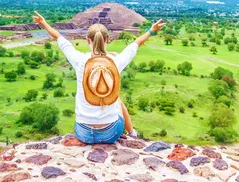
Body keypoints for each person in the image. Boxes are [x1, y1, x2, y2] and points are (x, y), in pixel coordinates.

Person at [32, 11, 165, 144]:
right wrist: (151, 30)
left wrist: (43, 23)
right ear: (108, 39)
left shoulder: (79, 60)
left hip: (83, 133)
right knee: (117, 99)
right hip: (111, 134)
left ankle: (128, 133)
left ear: (87, 40)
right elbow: (135, 44)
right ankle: (132, 133)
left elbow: (60, 38)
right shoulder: (115, 61)